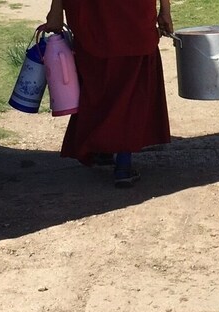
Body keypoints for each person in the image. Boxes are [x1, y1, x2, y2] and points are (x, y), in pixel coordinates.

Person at [45, 0, 174, 188]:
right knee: (131, 87)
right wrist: (165, 10)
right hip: (130, 17)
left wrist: (56, 9)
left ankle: (101, 148)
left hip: (93, 15)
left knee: (99, 81)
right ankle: (122, 163)